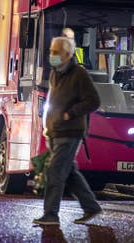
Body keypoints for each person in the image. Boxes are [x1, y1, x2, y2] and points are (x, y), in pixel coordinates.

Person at [33, 36, 102, 226]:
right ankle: (91, 207)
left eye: (55, 52)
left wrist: (71, 113)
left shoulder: (79, 74)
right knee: (69, 172)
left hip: (71, 131)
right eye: (51, 51)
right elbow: (53, 102)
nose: (51, 55)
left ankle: (51, 215)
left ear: (67, 55)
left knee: (55, 170)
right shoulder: (55, 73)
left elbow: (94, 101)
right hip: (55, 131)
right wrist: (49, 126)